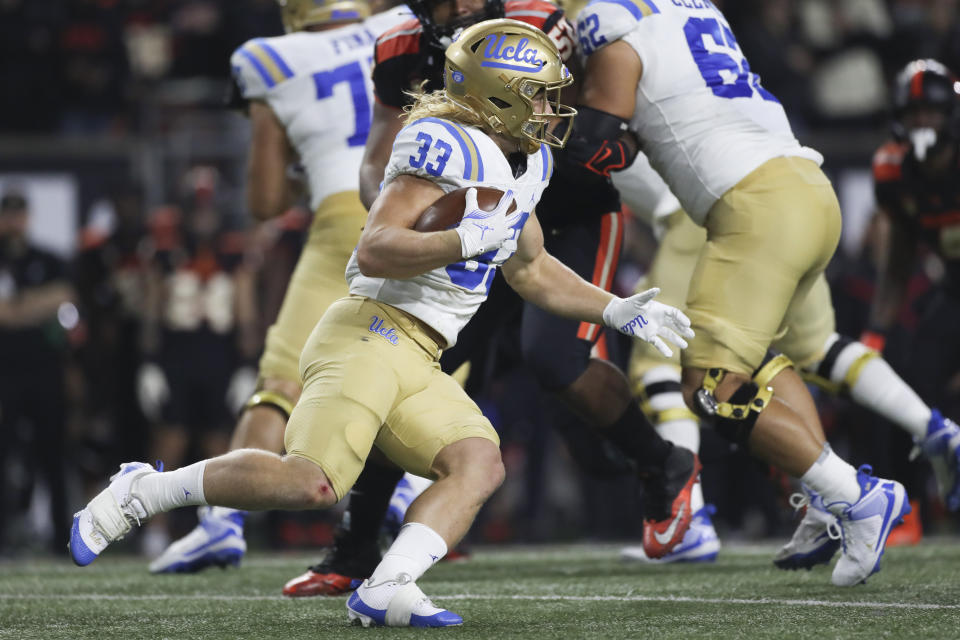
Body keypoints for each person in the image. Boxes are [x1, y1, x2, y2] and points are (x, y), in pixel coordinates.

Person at [69, 19, 696, 628]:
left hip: (421, 354)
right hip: (370, 332)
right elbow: (375, 247)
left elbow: (531, 268)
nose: (551, 109)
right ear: (499, 93)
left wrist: (615, 308)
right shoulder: (444, 142)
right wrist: (458, 239)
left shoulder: (526, 161)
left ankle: (390, 586)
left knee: (477, 462)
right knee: (311, 483)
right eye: (538, 94)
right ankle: (146, 491)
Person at [287, 0, 700, 597]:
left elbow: (599, 119)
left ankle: (663, 465)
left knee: (554, 361)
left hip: (563, 216)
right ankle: (356, 547)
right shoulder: (403, 53)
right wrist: (412, 208)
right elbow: (379, 165)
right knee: (409, 362)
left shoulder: (537, 32)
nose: (455, 7)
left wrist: (607, 141)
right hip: (476, 228)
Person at [572, 0, 909, 586]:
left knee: (708, 389)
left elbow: (602, 136)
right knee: (767, 364)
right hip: (806, 185)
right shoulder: (689, 6)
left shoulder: (604, 17)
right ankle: (825, 497)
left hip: (754, 206)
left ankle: (857, 495)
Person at [146, 0, 414, 574]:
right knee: (417, 373)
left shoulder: (269, 58)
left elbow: (265, 201)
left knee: (281, 382)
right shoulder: (401, 24)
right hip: (420, 208)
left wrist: (301, 176)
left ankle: (222, 521)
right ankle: (412, 500)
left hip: (345, 214)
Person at [613, 151, 958, 564]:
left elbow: (610, 129)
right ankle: (931, 428)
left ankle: (693, 521)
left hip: (722, 206)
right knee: (816, 348)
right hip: (802, 189)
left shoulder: (619, 92)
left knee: (667, 358)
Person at [868, 58, 960, 512]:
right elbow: (900, 260)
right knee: (906, 381)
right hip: (953, 293)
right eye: (914, 113)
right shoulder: (893, 169)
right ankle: (906, 509)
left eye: (932, 112)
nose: (923, 122)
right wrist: (874, 337)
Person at [0, 189, 75, 553]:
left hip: (44, 370)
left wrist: (18, 308)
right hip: (5, 373)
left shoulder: (47, 258)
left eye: (18, 214)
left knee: (52, 451)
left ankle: (62, 532)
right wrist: (34, 305)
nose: (14, 222)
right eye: (8, 214)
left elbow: (64, 296)